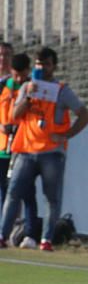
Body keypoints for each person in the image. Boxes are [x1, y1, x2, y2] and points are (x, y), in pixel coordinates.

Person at [0, 47, 88, 251]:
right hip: (26, 149)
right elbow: (15, 115)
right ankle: (2, 235)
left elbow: (84, 115)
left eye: (47, 64)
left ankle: (46, 240)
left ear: (54, 66)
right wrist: (29, 97)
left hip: (51, 152)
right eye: (39, 64)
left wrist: (66, 135)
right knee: (14, 192)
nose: (42, 68)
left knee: (51, 197)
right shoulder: (28, 86)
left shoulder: (61, 90)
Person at [0, 52, 30, 219]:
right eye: (15, 74)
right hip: (3, 145)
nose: (18, 78)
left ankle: (18, 226)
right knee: (3, 188)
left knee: (21, 189)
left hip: (22, 145)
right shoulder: (4, 85)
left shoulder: (32, 87)